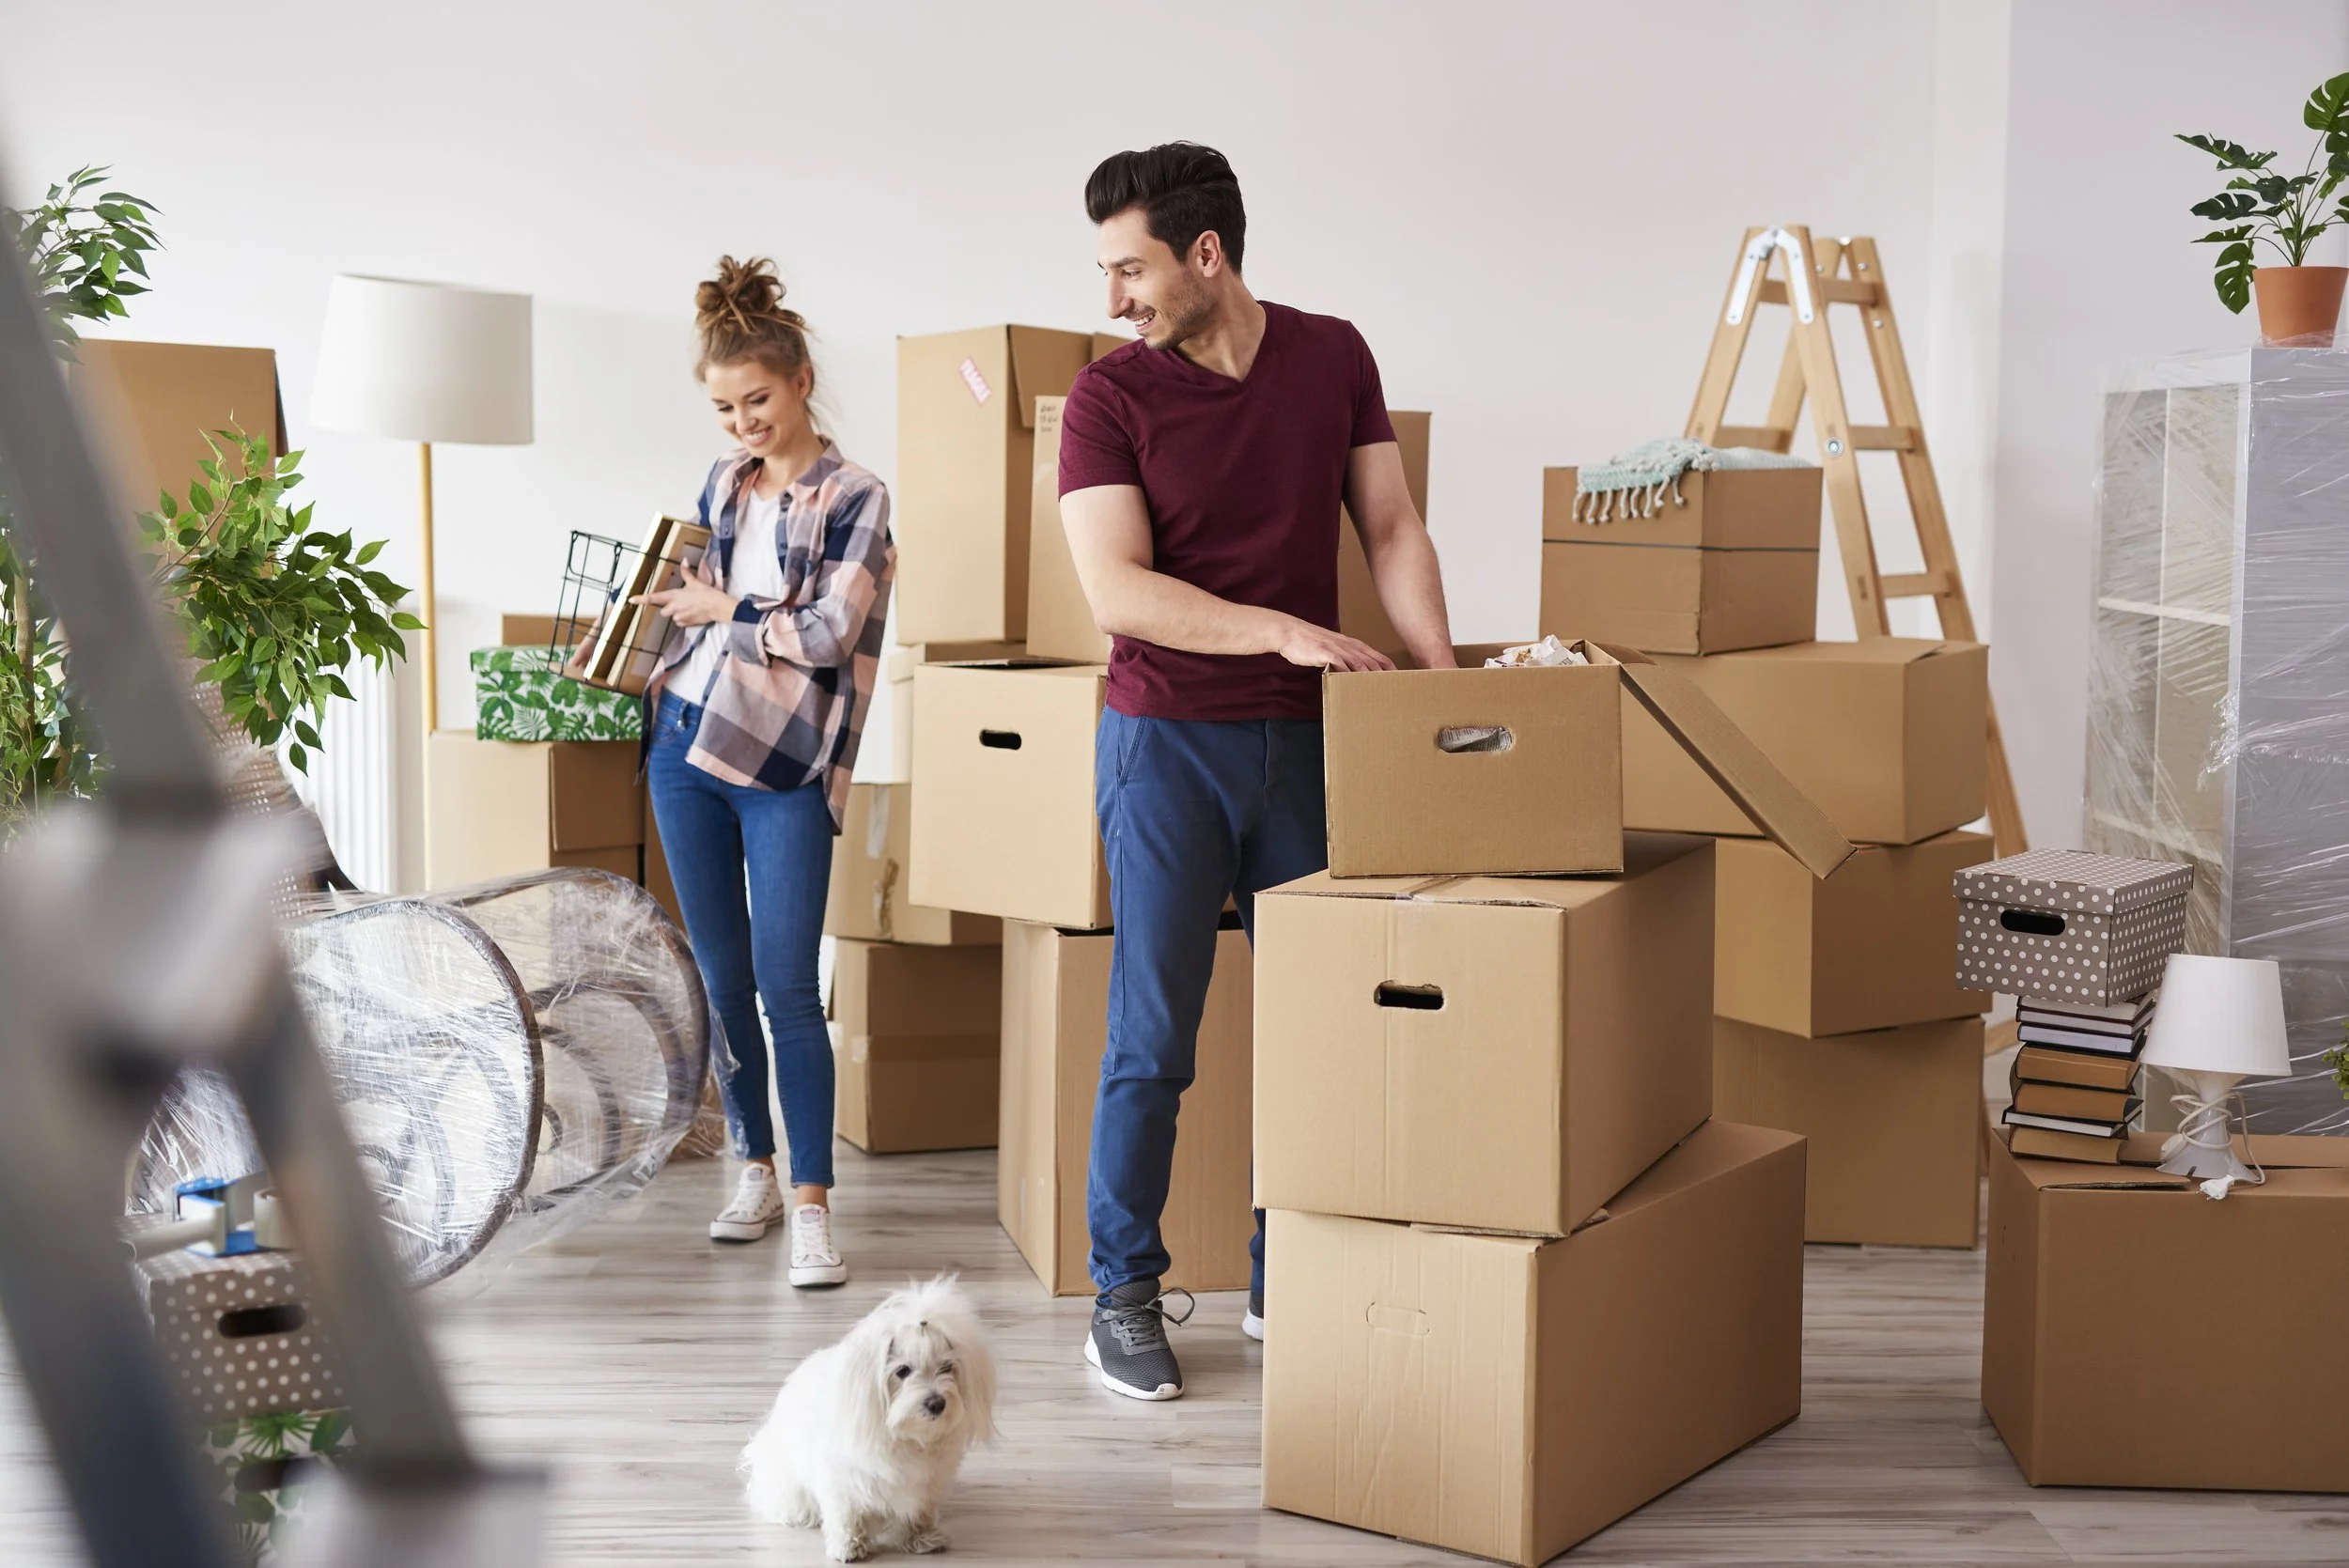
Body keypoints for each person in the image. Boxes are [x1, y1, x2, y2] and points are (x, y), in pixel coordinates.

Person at [1056, 145, 1455, 1399]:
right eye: (1108, 270)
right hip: (1167, 741)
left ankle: (1291, 1279)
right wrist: (1278, 625)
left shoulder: (1334, 355)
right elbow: (1117, 588)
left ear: (1207, 254)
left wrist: (1445, 683)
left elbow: (1388, 526)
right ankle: (1122, 1291)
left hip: (1311, 749)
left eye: (1131, 267)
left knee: (1320, 1029)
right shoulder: (1106, 396)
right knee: (1153, 1036)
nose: (1116, 295)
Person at [638, 256, 894, 1284]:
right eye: (723, 406)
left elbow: (831, 632)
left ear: (798, 383)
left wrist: (727, 615)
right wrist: (632, 644)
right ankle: (752, 1161)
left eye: (757, 399)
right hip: (683, 749)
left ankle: (813, 1206)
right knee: (720, 976)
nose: (742, 421)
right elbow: (690, 599)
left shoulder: (856, 496)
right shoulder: (722, 485)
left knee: (791, 986)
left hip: (783, 763)